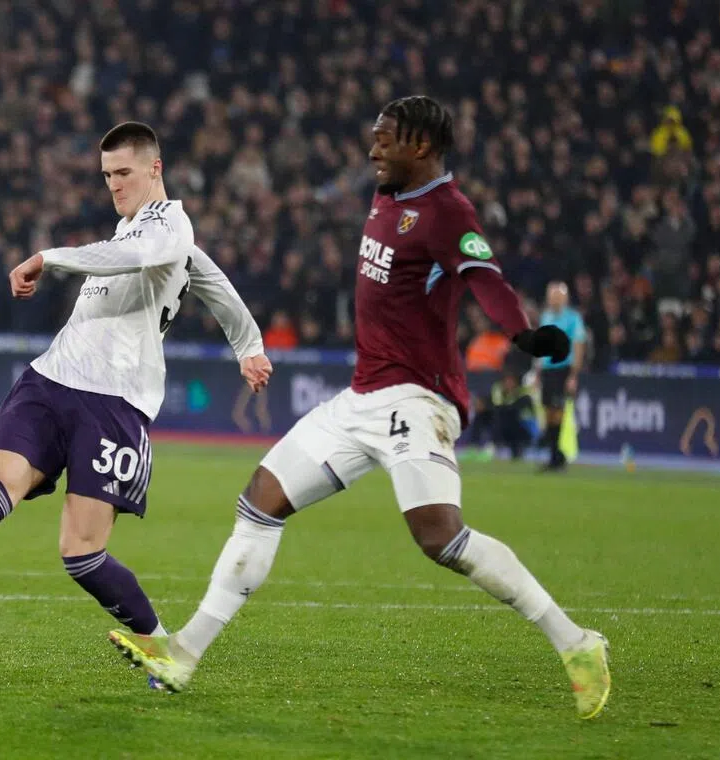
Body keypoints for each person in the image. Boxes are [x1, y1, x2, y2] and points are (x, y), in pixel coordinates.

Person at [109, 97, 612, 720]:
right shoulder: (387, 196)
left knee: (438, 536)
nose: (373, 150)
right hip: (361, 397)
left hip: (418, 397)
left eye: (386, 140)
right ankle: (182, 653)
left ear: (422, 147)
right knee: (261, 498)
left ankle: (577, 643)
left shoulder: (448, 212)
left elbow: (485, 278)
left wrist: (524, 336)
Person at [0, 122, 272, 639]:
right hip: (51, 379)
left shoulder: (169, 226)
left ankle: (161, 646)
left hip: (113, 402)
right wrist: (249, 346)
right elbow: (212, 283)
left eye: (124, 173)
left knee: (81, 553)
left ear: (154, 169)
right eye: (107, 175)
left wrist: (50, 257)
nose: (114, 185)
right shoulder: (135, 229)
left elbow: (143, 261)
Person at [535, 282, 587, 471]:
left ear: (564, 298)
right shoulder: (546, 317)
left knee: (558, 410)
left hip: (563, 369)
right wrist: (537, 371)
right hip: (548, 370)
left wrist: (573, 375)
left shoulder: (573, 318)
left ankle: (556, 455)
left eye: (557, 296)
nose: (554, 299)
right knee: (548, 412)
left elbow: (578, 345)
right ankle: (555, 455)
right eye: (551, 296)